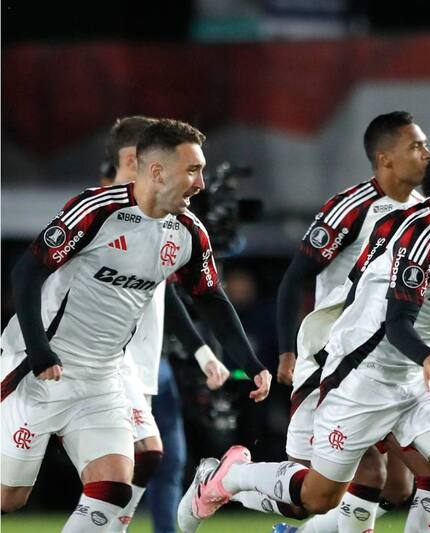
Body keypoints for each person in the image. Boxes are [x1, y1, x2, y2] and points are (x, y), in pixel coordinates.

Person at [182, 139, 430, 533]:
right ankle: (231, 476)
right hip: (364, 374)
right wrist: (428, 356)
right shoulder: (424, 234)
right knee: (318, 497)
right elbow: (396, 323)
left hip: (420, 380)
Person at [0, 118, 271, 532]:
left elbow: (210, 299)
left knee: (113, 487)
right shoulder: (97, 210)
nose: (200, 184)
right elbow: (26, 273)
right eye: (192, 170)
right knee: (9, 499)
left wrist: (250, 363)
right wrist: (39, 350)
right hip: (36, 368)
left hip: (102, 377)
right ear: (157, 171)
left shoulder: (188, 232)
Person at [198, 111, 430, 533]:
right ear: (385, 158)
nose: (426, 154)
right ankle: (227, 480)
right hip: (333, 356)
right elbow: (294, 279)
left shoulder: (423, 214)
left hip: (388, 360)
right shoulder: (352, 207)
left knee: (397, 487)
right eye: (416, 146)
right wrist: (288, 351)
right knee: (313, 492)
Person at [102, 116, 231, 533]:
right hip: (92, 364)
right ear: (135, 160)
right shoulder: (95, 216)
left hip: (148, 361)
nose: (193, 181)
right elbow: (37, 278)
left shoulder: (164, 221)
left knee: (161, 459)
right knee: (123, 464)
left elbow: (165, 293)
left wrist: (202, 352)